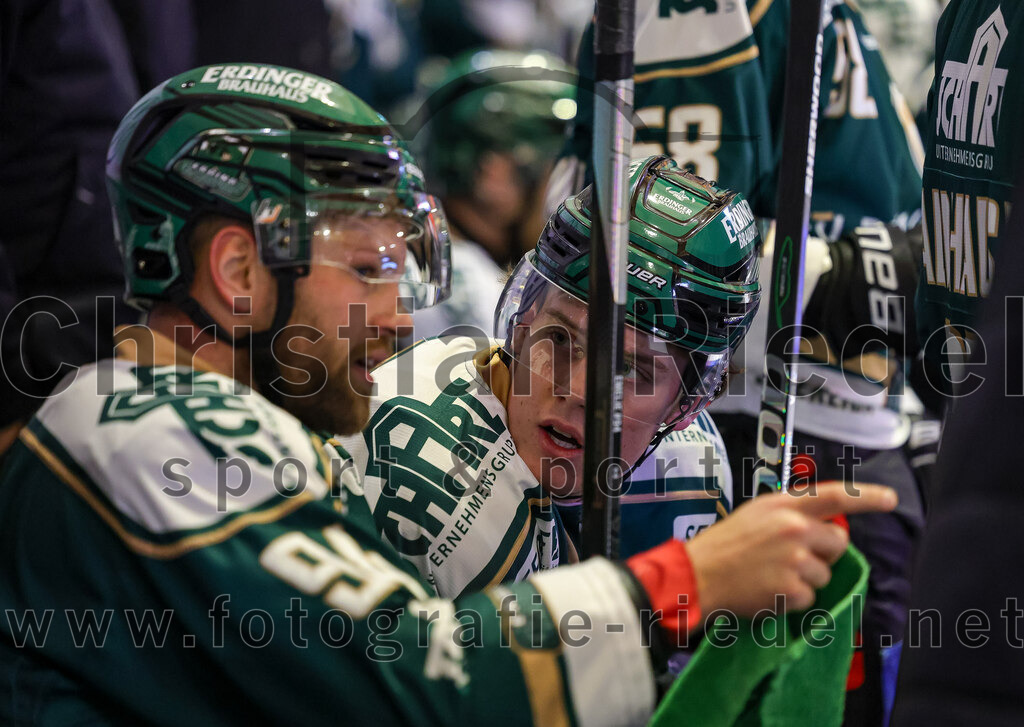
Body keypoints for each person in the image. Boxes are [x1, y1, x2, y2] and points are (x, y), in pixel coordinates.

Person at [0, 64, 897, 726]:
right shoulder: (144, 432)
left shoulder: (205, 428)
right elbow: (415, 682)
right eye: (368, 268)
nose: (399, 321)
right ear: (237, 269)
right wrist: (687, 584)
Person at [336, 156, 754, 595]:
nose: (574, 391)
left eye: (628, 369)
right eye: (558, 338)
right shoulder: (435, 486)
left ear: (686, 402)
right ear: (523, 321)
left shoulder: (691, 467)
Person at [404, 49, 577, 341]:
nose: (566, 199)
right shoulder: (469, 289)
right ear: (492, 171)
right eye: (555, 176)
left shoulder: (427, 256)